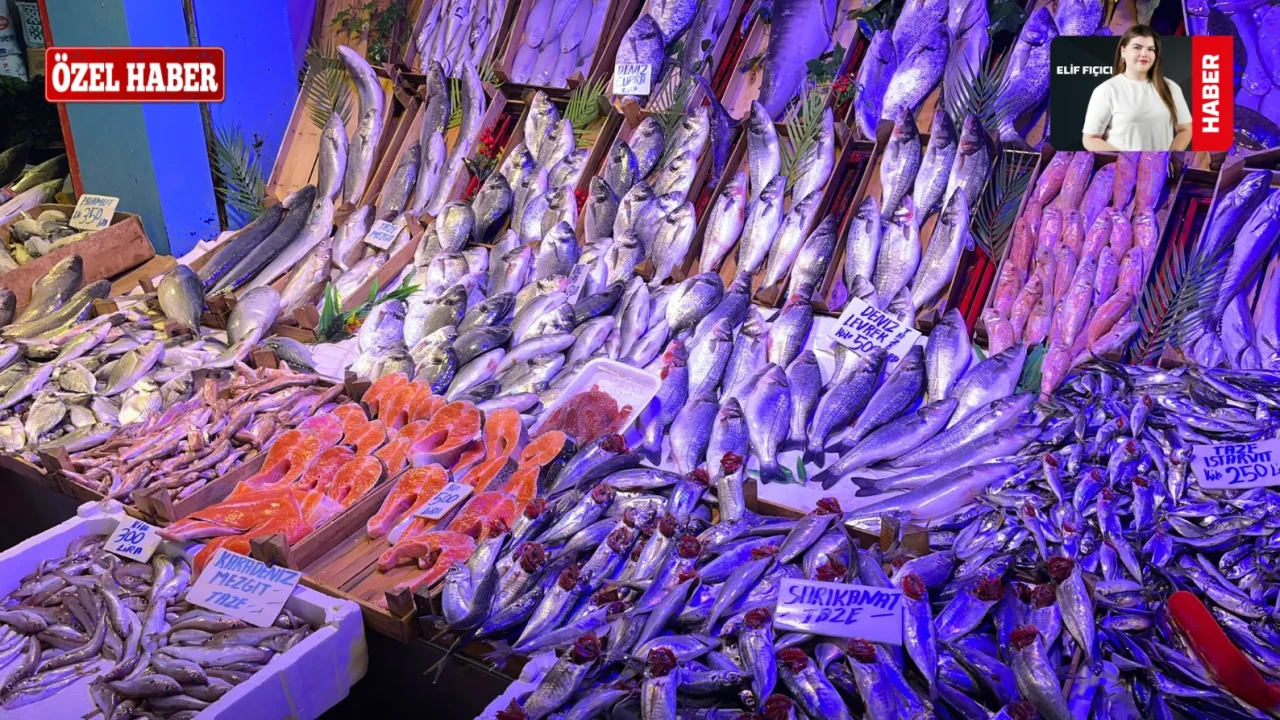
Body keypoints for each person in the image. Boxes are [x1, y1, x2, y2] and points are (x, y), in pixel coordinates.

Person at [1082, 25, 1193, 152]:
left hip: (1161, 165)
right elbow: (1090, 139)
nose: (1144, 54)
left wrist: (1170, 156)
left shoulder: (1171, 87)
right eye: (1137, 47)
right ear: (1123, 51)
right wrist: (1124, 158)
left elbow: (1185, 129)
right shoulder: (1106, 90)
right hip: (1120, 164)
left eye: (1150, 49)